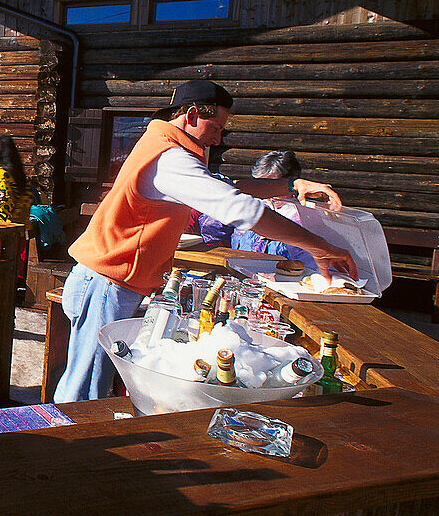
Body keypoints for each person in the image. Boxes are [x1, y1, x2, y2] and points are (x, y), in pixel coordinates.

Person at [53, 80, 356, 402]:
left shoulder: (166, 148)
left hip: (111, 282)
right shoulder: (170, 158)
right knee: (84, 388)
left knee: (90, 381)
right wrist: (320, 246)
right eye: (217, 127)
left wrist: (293, 185)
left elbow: (228, 186)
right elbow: (241, 208)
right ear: (192, 114)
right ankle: (66, 445)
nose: (218, 137)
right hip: (107, 283)